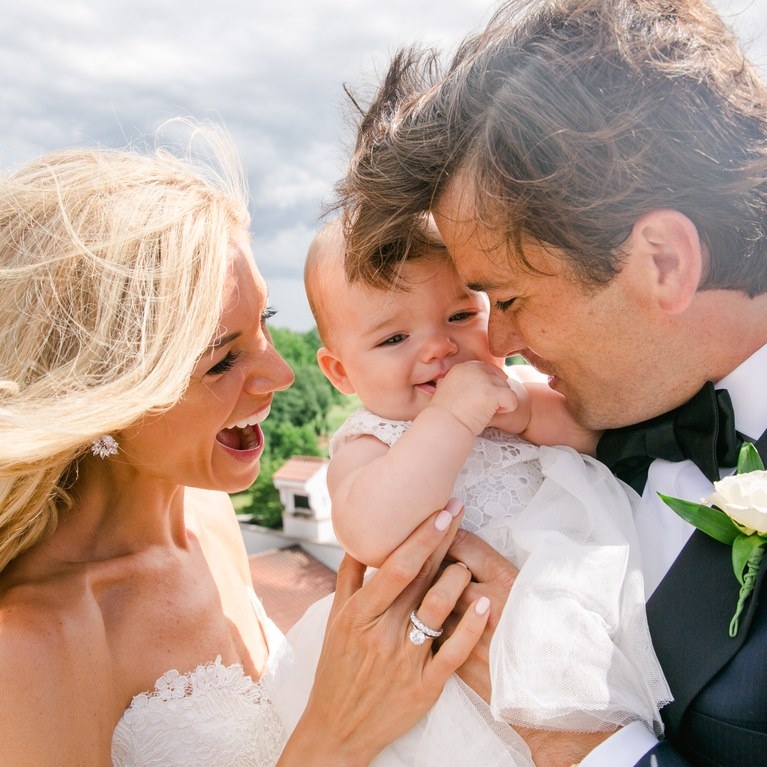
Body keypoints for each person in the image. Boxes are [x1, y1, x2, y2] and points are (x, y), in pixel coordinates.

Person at [335, 1, 767, 765]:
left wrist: (582, 743)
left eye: (506, 299)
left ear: (661, 262)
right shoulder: (572, 417)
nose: (494, 343)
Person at [0, 122, 495, 767]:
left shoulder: (207, 518)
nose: (282, 375)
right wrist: (341, 734)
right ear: (103, 394)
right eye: (221, 361)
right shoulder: (30, 648)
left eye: (265, 323)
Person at [269, 216, 670, 766]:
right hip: (452, 668)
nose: (438, 347)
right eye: (393, 338)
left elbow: (593, 437)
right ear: (341, 372)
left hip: (581, 608)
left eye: (460, 316)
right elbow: (367, 531)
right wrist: (452, 418)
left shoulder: (515, 393)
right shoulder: (372, 440)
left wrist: (527, 410)